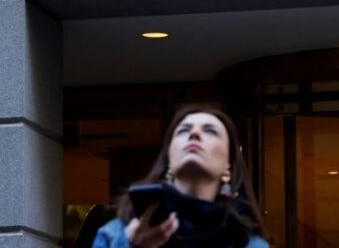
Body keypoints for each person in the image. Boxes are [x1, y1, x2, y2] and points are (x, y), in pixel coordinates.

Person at [93, 106, 269, 248]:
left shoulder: (251, 245)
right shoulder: (113, 235)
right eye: (183, 131)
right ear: (169, 158)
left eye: (211, 131)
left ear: (228, 164)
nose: (194, 134)